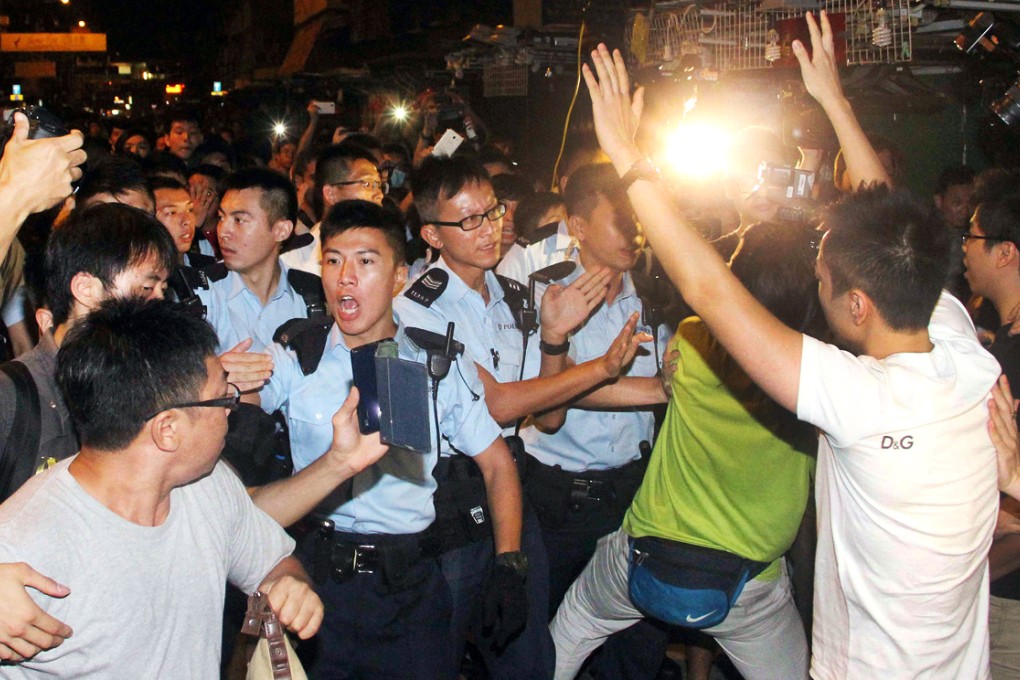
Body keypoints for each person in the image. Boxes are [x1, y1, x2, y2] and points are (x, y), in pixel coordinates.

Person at [567, 12, 999, 678]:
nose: (816, 279)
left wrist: (629, 162)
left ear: (857, 305)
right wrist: (831, 98)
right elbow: (892, 225)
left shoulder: (863, 400)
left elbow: (712, 293)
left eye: (824, 276)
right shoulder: (955, 342)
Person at [396, 155, 650, 679]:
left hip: (514, 488)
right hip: (449, 500)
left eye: (491, 212)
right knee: (437, 658)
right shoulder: (419, 307)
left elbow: (549, 419)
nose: (490, 229)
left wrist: (555, 338)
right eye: (468, 221)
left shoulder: (516, 298)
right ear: (432, 235)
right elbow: (496, 405)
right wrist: (601, 368)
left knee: (529, 659)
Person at [258, 199, 518, 679]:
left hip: (408, 590)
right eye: (333, 260)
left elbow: (498, 464)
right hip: (313, 576)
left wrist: (510, 564)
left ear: (400, 275)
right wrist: (230, 384)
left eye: (365, 261)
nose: (345, 277)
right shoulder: (299, 355)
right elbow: (245, 409)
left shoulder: (437, 364)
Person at [0, 297, 322, 676]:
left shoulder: (209, 485)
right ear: (167, 429)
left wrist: (291, 585)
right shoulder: (22, 549)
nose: (230, 411)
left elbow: (273, 564)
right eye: (223, 398)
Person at [961, 193, 1020, 678]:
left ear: (1005, 252)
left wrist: (972, 579)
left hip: (1007, 602)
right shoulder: (996, 338)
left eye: (973, 235)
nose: (964, 247)